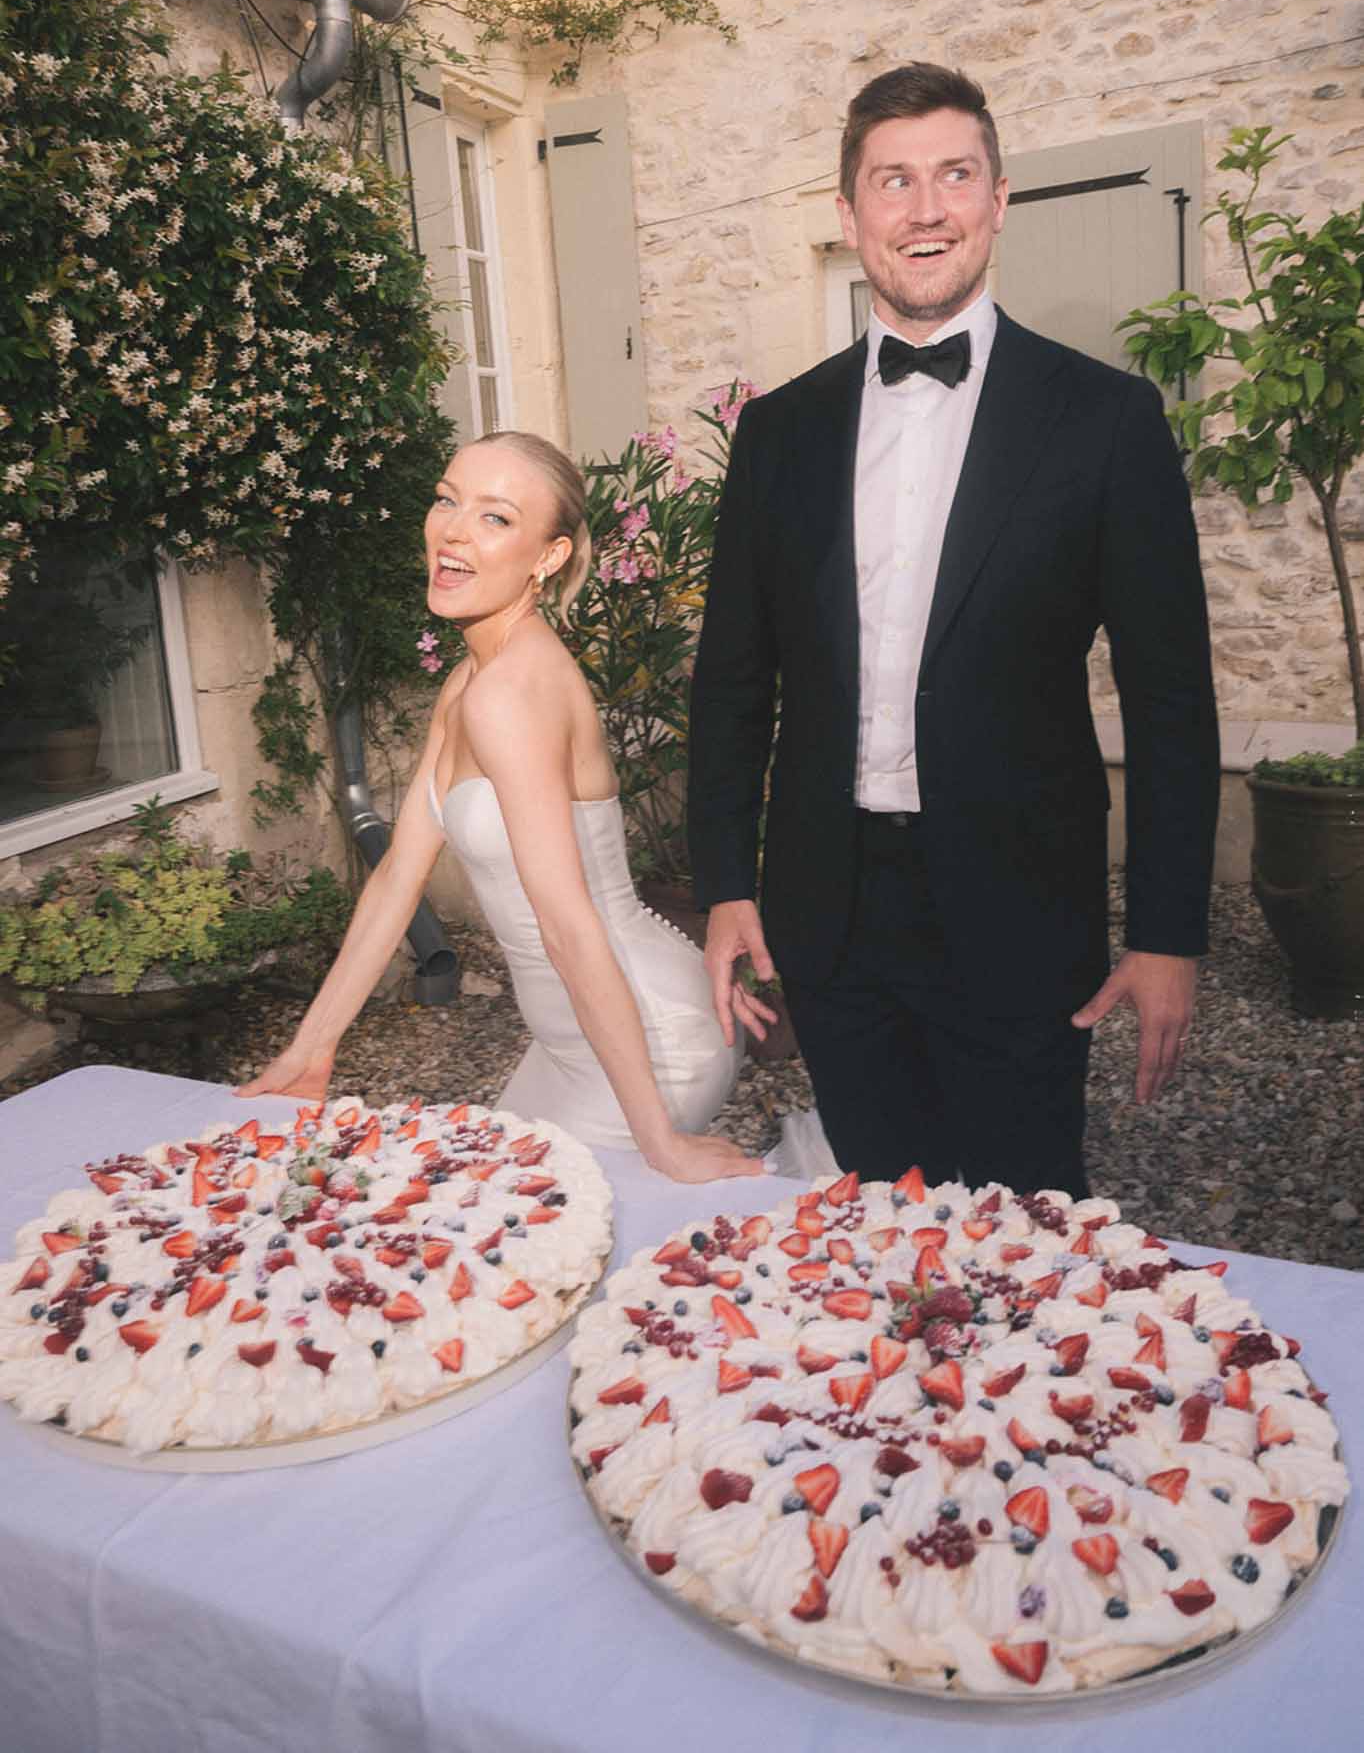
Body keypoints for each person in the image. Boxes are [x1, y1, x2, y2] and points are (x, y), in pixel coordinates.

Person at [688, 62, 1220, 1197]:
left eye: (952, 176)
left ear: (997, 198)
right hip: (828, 913)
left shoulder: (1105, 420)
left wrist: (1167, 933)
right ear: (849, 214)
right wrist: (727, 881)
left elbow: (1170, 697)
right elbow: (732, 679)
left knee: (1026, 1224)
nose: (923, 208)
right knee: (880, 1210)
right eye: (892, 180)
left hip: (1019, 905)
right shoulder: (777, 432)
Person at [241, 430, 755, 1184]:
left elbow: (569, 925)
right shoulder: (468, 683)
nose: (452, 529)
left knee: (533, 1251)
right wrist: (309, 1051)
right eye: (448, 500)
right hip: (568, 1042)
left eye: (495, 517)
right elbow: (395, 880)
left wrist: (662, 1144)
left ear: (548, 557)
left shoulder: (511, 694)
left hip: (650, 1043)